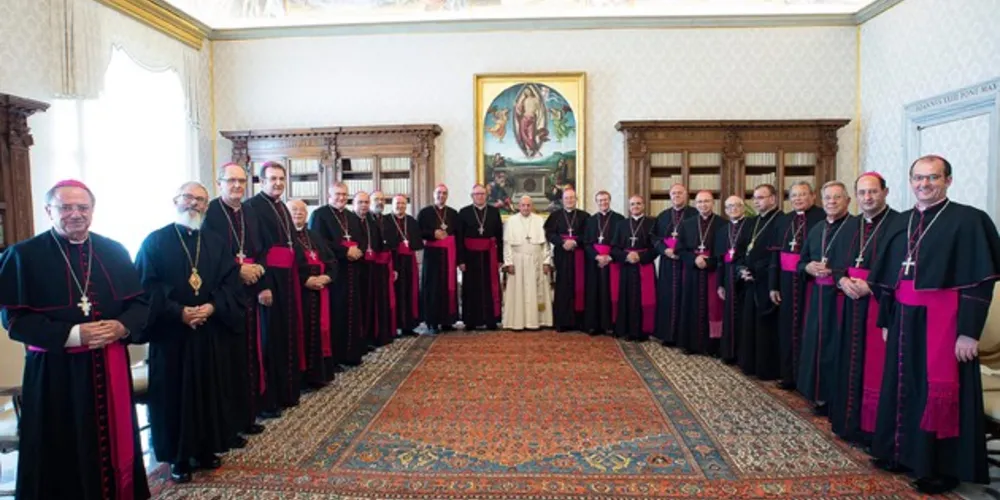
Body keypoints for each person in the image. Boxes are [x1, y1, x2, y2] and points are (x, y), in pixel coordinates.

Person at [0, 179, 151, 499]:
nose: (75, 214)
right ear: (49, 211)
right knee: (59, 450)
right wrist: (72, 335)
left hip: (109, 367)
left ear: (92, 211)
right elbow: (14, 320)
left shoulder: (113, 250)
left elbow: (139, 305)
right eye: (65, 207)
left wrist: (122, 327)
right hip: (56, 376)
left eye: (82, 207)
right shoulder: (22, 256)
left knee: (113, 442)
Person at [867, 155, 1000, 494]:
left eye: (932, 178)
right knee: (901, 384)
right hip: (903, 318)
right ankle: (898, 450)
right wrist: (886, 319)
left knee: (935, 390)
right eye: (918, 178)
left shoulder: (969, 220)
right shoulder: (901, 222)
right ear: (910, 181)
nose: (924, 184)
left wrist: (968, 332)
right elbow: (887, 280)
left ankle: (940, 467)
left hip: (945, 323)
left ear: (948, 181)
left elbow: (979, 282)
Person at [135, 181, 245, 483]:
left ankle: (208, 448)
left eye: (200, 200)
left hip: (210, 331)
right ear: (175, 201)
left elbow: (230, 283)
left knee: (210, 389)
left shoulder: (216, 242)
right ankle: (178, 456)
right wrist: (179, 312)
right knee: (174, 395)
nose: (193, 204)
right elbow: (147, 287)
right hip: (172, 335)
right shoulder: (155, 242)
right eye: (188, 198)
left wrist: (211, 307)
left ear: (206, 207)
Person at [828, 172, 898, 445]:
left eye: (873, 192)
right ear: (855, 196)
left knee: (876, 368)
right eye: (862, 193)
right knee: (848, 361)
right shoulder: (849, 226)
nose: (867, 198)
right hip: (849, 304)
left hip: (879, 305)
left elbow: (901, 268)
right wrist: (842, 279)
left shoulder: (898, 224)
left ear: (885, 192)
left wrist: (872, 286)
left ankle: (873, 430)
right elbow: (834, 263)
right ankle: (849, 424)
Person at [203, 163, 267, 440]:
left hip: (249, 293)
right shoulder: (210, 212)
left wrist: (259, 272)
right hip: (223, 297)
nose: (237, 186)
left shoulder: (250, 212)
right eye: (231, 181)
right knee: (228, 362)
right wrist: (236, 270)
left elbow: (261, 248)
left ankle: (247, 415)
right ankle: (227, 425)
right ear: (220, 183)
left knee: (248, 356)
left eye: (242, 181)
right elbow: (205, 254)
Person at [247, 161, 305, 417]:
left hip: (287, 278)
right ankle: (268, 400)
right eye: (273, 179)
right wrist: (263, 286)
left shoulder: (282, 206)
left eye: (281, 178)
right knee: (270, 340)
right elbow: (255, 250)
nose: (278, 183)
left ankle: (286, 391)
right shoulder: (253, 207)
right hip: (270, 280)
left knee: (286, 335)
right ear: (261, 181)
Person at [797, 181, 851, 413]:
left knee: (835, 346)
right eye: (827, 198)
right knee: (815, 344)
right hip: (817, 296)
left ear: (848, 200)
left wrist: (836, 273)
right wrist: (808, 267)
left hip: (841, 299)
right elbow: (802, 261)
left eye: (837, 197)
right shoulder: (817, 228)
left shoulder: (854, 227)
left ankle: (834, 398)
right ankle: (815, 394)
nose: (831, 202)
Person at [770, 181, 823, 390]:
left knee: (806, 329)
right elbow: (775, 255)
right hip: (785, 283)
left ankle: (806, 379)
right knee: (786, 329)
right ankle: (788, 374)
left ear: (813, 196)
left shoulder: (820, 218)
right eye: (794, 195)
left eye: (803, 194)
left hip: (809, 283)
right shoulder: (784, 221)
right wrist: (773, 286)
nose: (798, 199)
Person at [308, 182, 367, 366]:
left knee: (353, 312)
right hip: (335, 272)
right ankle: (334, 358)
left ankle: (351, 354)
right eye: (337, 194)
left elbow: (363, 238)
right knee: (336, 313)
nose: (341, 198)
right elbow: (319, 243)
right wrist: (345, 251)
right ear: (329, 195)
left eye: (344, 194)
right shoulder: (320, 215)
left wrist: (359, 250)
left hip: (354, 271)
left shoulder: (351, 216)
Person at [288, 199, 336, 386]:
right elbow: (284, 268)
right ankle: (303, 377)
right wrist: (304, 280)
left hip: (320, 293)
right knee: (301, 332)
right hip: (299, 296)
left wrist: (327, 278)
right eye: (294, 210)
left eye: (302, 210)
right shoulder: (285, 238)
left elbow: (332, 261)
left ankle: (319, 375)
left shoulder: (315, 236)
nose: (299, 213)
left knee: (321, 330)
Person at [737, 184, 782, 379]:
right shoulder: (751, 222)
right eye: (755, 198)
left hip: (767, 281)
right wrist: (741, 269)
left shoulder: (781, 221)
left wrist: (756, 270)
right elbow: (740, 250)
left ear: (773, 199)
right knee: (749, 324)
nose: (756, 201)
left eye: (761, 197)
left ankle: (766, 369)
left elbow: (776, 255)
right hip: (749, 281)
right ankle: (750, 364)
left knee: (765, 327)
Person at [675, 191, 722, 356]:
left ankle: (713, 346)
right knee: (691, 305)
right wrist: (694, 259)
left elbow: (723, 251)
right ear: (695, 204)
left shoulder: (721, 223)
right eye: (700, 202)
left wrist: (709, 262)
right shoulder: (686, 224)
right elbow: (679, 249)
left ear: (713, 203)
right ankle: (691, 344)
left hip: (713, 271)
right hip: (692, 271)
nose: (703, 205)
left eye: (707, 201)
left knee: (714, 307)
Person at [653, 183, 697, 345]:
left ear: (686, 195)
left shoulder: (694, 214)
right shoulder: (663, 216)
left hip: (685, 262)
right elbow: (655, 238)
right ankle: (667, 335)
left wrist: (680, 251)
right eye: (674, 193)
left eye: (680, 193)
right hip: (667, 263)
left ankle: (683, 336)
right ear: (670, 196)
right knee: (666, 296)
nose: (677, 196)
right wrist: (665, 250)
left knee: (686, 297)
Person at [502, 196, 553, 330]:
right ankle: (517, 322)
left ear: (532, 206)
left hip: (536, 259)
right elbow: (507, 244)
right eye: (523, 205)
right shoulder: (511, 221)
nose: (525, 208)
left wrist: (546, 261)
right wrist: (509, 262)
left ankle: (537, 321)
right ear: (519, 206)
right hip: (517, 261)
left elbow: (545, 244)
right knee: (519, 291)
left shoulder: (539, 220)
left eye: (528, 205)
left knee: (536, 290)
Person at [543, 187, 589, 331]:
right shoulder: (555, 215)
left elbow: (589, 235)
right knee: (562, 285)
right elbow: (549, 234)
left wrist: (575, 242)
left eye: (572, 198)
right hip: (562, 254)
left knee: (579, 286)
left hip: (579, 254)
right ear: (562, 200)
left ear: (576, 199)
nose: (569, 200)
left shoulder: (585, 216)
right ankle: (562, 322)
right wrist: (563, 242)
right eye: (566, 198)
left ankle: (579, 322)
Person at [612, 195, 657, 341]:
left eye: (638, 204)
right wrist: (626, 257)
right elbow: (614, 248)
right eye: (632, 204)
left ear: (643, 205)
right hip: (626, 267)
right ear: (629, 207)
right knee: (626, 297)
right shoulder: (621, 224)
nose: (635, 206)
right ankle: (626, 330)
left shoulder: (652, 223)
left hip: (644, 266)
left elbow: (656, 247)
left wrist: (640, 257)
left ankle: (642, 331)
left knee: (643, 299)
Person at [459, 184, 504, 330]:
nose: (480, 196)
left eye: (482, 194)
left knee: (489, 287)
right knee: (471, 288)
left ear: (486, 195)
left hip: (489, 255)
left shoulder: (493, 212)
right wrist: (461, 260)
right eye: (477, 194)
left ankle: (491, 319)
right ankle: (471, 321)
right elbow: (459, 238)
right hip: (470, 256)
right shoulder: (464, 212)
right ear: (472, 196)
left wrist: (499, 258)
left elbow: (499, 236)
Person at [418, 184, 460, 334]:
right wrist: (432, 234)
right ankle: (432, 322)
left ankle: (447, 321)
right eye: (439, 193)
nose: (441, 196)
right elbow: (419, 233)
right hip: (433, 256)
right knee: (432, 288)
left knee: (448, 287)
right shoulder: (425, 212)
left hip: (449, 256)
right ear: (433, 194)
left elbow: (458, 236)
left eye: (444, 193)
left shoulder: (453, 213)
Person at [583, 190, 624, 335]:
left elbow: (621, 242)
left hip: (612, 262)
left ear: (610, 200)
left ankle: (610, 324)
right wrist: (597, 257)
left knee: (610, 292)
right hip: (595, 262)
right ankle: (594, 325)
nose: (603, 203)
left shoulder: (619, 219)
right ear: (597, 202)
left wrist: (609, 257)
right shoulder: (591, 220)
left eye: (605, 200)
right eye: (600, 200)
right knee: (594, 292)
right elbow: (586, 243)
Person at [716, 195, 750, 364]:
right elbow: (720, 260)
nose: (733, 209)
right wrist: (720, 284)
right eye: (729, 207)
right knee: (729, 315)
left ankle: (743, 355)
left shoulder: (750, 226)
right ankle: (729, 353)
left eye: (736, 205)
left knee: (744, 315)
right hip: (727, 275)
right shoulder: (722, 230)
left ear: (743, 207)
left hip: (743, 275)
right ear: (725, 210)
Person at [355, 191, 391, 347]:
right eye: (360, 202)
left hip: (372, 268)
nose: (364, 205)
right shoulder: (351, 221)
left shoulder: (371, 221)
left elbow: (378, 243)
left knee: (370, 304)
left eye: (366, 203)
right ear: (354, 203)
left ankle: (370, 337)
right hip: (357, 269)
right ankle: (361, 339)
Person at [387, 195, 423, 336]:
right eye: (397, 203)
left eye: (403, 203)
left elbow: (418, 243)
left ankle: (408, 326)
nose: (400, 206)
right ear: (392, 204)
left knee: (409, 292)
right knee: (394, 293)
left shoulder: (412, 222)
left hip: (409, 262)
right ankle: (394, 327)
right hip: (393, 261)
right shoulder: (386, 220)